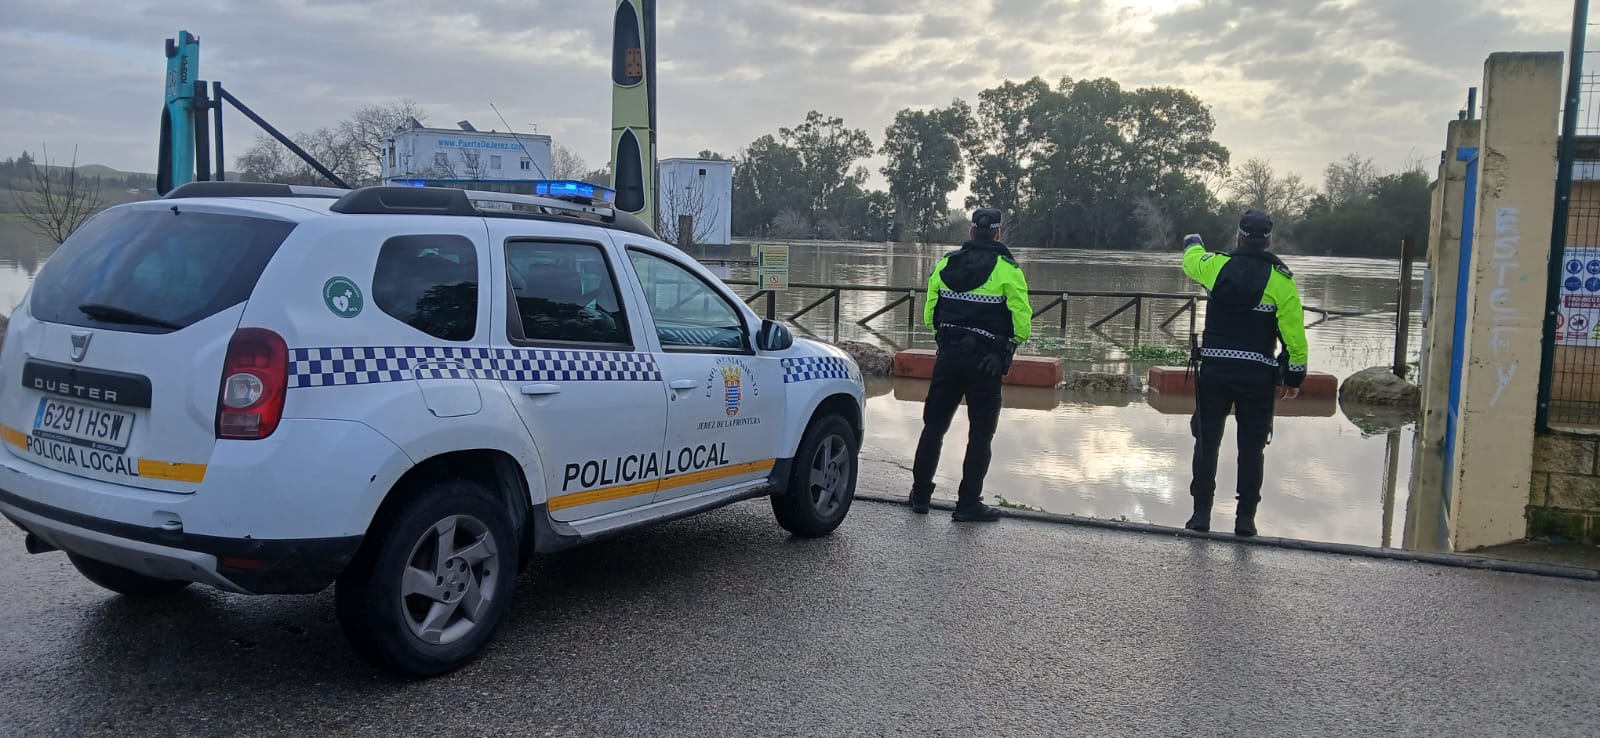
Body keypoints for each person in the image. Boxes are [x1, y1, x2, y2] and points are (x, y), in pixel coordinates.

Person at [1179, 209, 1308, 536]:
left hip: (1214, 373)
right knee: (1252, 449)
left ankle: (1200, 516)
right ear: (1268, 241)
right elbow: (1294, 337)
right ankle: (1245, 520)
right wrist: (1294, 377)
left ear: (1238, 237)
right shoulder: (1281, 281)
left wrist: (1193, 242)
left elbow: (1190, 262)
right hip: (1258, 378)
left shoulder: (1216, 267)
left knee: (1206, 442)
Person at [909, 208, 1033, 522]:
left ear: (971, 232)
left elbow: (929, 315)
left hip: (948, 357)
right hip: (986, 363)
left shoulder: (946, 264)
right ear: (998, 233)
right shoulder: (1008, 270)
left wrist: (948, 336)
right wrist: (1008, 342)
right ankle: (967, 504)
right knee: (980, 435)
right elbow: (1022, 323)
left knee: (933, 427)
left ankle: (920, 497)